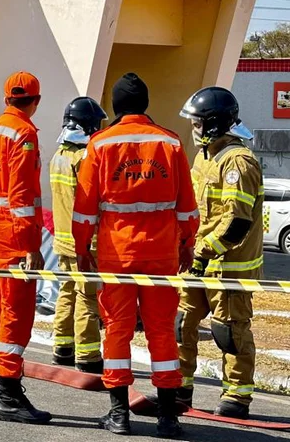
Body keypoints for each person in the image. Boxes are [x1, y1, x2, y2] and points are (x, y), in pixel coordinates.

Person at [72, 73, 198, 437]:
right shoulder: (171, 143)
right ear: (145, 104)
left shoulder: (100, 144)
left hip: (117, 255)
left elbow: (84, 209)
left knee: (117, 331)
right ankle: (168, 418)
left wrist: (82, 248)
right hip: (162, 255)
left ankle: (119, 414)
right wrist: (187, 243)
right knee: (162, 333)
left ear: (115, 106)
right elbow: (187, 206)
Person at [177, 86, 264, 420]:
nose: (194, 128)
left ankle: (237, 396)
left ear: (214, 123)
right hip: (198, 260)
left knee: (230, 330)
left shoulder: (238, 162)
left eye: (198, 122)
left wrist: (203, 253)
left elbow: (236, 222)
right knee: (182, 323)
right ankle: (180, 386)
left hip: (229, 265)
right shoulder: (205, 155)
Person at [0, 71, 51, 425]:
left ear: (6, 99)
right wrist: (31, 244)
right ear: (34, 101)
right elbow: (21, 196)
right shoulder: (24, 133)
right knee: (16, 315)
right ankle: (8, 393)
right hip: (14, 238)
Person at [49, 96, 106, 375]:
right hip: (83, 241)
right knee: (87, 298)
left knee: (67, 293)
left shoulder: (58, 155)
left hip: (62, 238)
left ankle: (62, 348)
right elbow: (90, 200)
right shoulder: (83, 158)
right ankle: (88, 354)